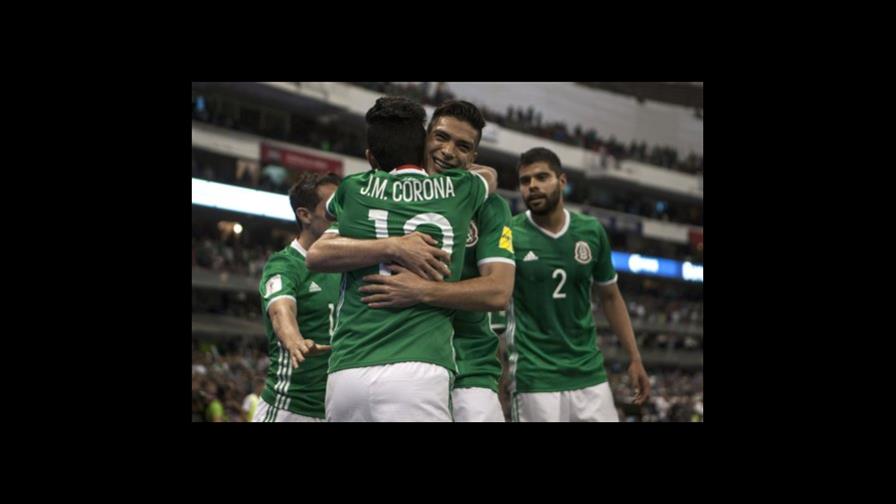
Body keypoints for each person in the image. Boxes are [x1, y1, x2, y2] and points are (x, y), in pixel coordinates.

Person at [305, 96, 497, 421]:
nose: (448, 152)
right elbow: (489, 177)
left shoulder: (352, 189)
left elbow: (325, 214)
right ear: (422, 143)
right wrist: (396, 245)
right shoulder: (462, 190)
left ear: (369, 157)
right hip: (419, 367)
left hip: (347, 369)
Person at [354, 100, 514, 421]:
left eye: (463, 146)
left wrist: (421, 291)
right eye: (441, 137)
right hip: (393, 358)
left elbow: (498, 290)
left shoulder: (490, 207)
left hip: (469, 370)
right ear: (424, 137)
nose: (449, 151)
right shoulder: (386, 189)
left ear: (474, 158)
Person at [507, 147, 650, 422]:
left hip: (588, 372)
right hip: (535, 376)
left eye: (541, 177)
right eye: (525, 181)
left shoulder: (591, 231)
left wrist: (635, 356)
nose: (533, 186)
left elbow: (611, 297)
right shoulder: (509, 233)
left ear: (562, 181)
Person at [252, 170, 342, 422]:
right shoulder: (285, 265)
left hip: (336, 410)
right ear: (304, 215)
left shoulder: (348, 264)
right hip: (290, 409)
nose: (341, 213)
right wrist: (294, 341)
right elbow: (281, 309)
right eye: (332, 207)